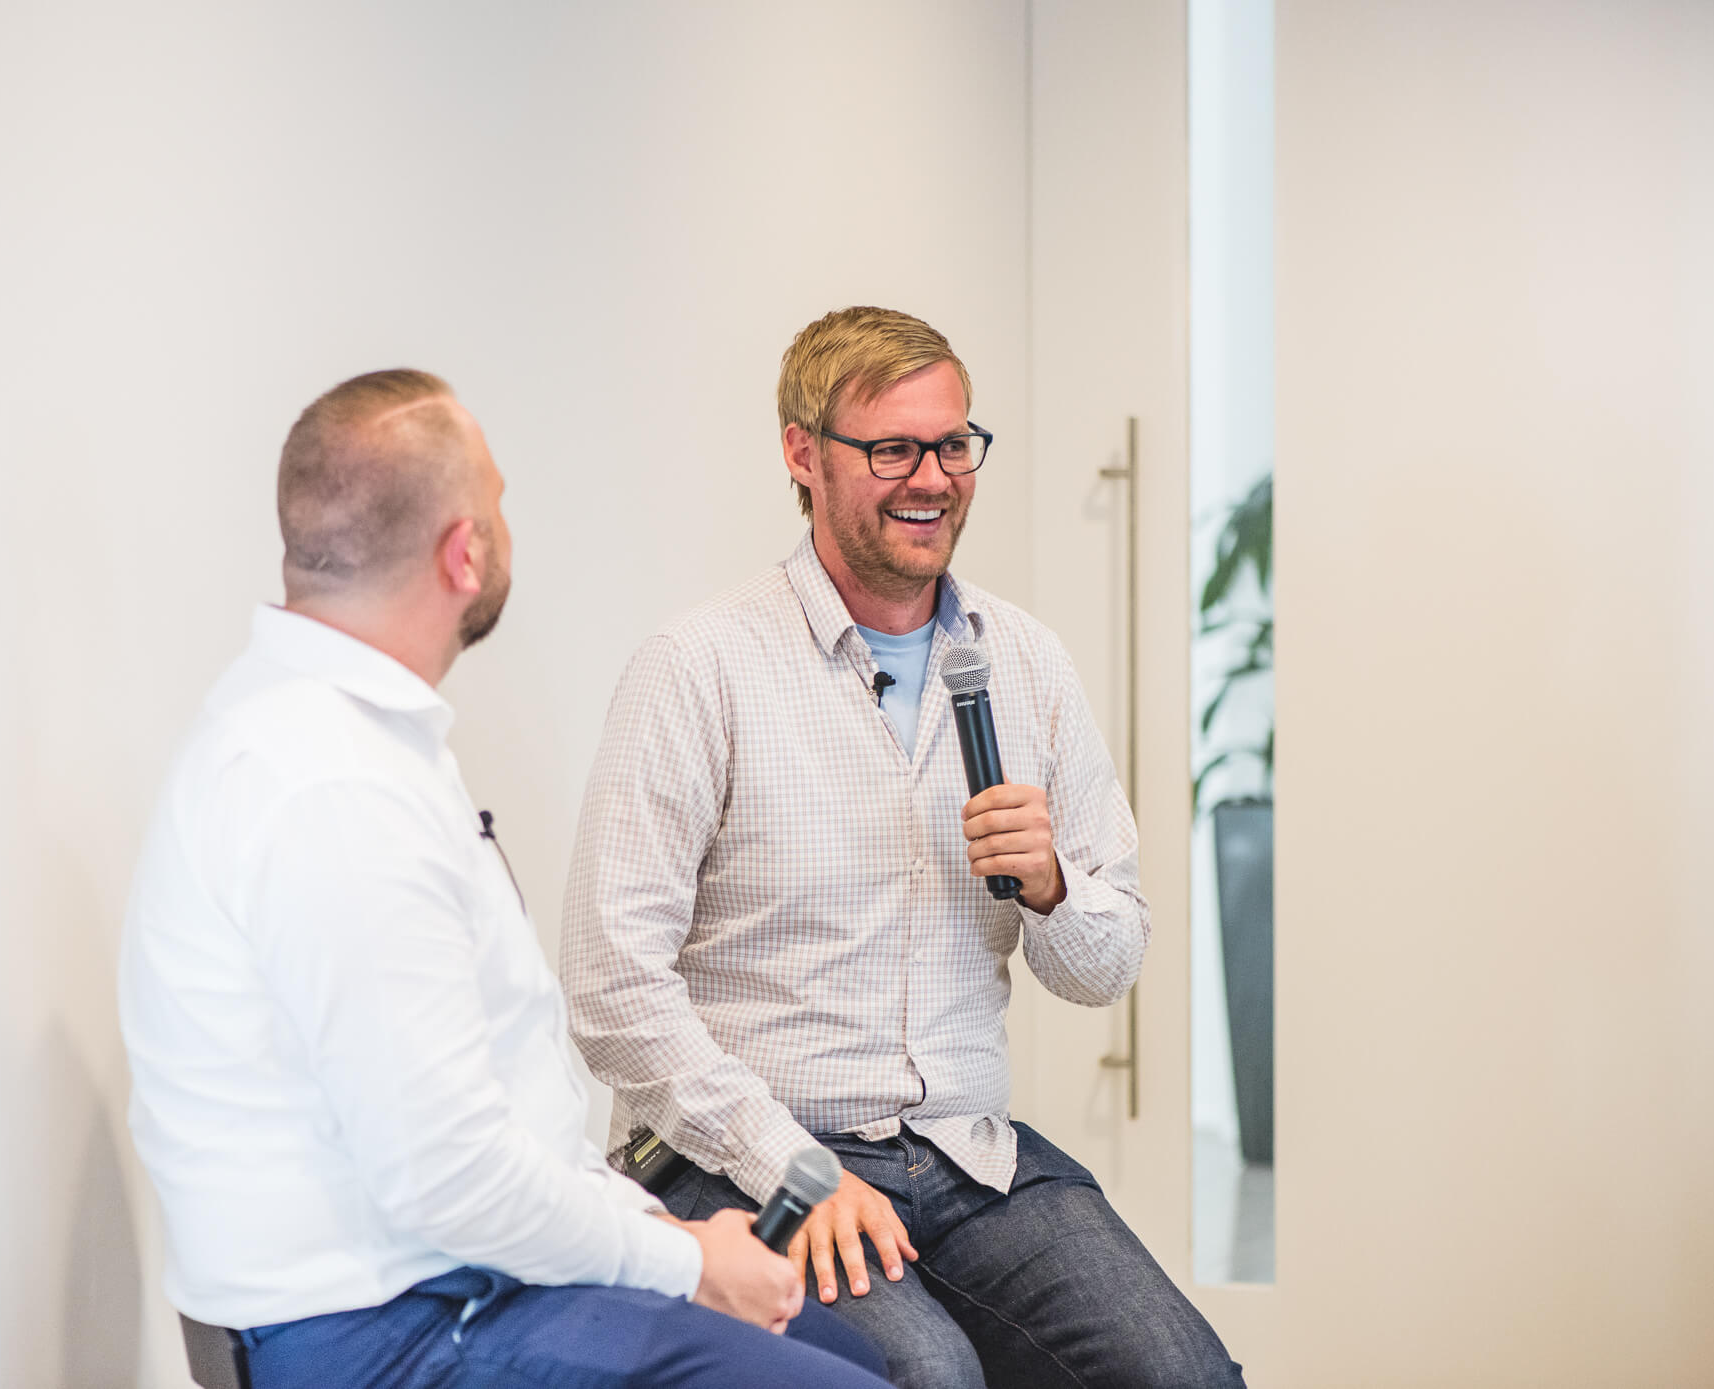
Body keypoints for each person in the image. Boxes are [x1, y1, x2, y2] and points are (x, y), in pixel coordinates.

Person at [119, 369, 892, 1389]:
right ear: (464, 552)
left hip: (455, 1280)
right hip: (387, 1333)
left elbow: (490, 1123)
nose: (505, 529)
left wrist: (653, 1227)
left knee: (842, 1346)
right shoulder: (333, 789)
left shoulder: (348, 735)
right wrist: (683, 1257)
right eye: (498, 502)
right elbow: (449, 1178)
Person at [561, 310, 1246, 1388]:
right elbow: (611, 989)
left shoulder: (1020, 661)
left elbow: (1103, 969)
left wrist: (1054, 885)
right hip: (741, 1156)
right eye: (891, 449)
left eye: (951, 444)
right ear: (802, 452)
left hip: (965, 1153)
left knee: (1181, 1373)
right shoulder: (699, 668)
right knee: (926, 1376)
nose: (931, 478)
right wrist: (789, 1163)